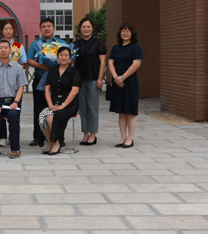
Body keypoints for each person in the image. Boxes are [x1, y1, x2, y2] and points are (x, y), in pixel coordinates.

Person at [27, 18, 68, 147]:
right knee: (38, 108)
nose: (46, 28)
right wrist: (43, 66)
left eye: (49, 26)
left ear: (53, 28)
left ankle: (59, 137)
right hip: (40, 78)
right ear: (40, 29)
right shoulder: (35, 44)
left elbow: (69, 58)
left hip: (58, 79)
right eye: (44, 26)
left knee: (58, 108)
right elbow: (29, 60)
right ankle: (38, 137)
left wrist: (58, 65)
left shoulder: (61, 43)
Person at [0, 40, 28, 158]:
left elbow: (21, 87)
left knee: (13, 116)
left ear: (10, 50)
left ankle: (15, 149)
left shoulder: (18, 68)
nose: (3, 50)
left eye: (6, 48)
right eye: (1, 48)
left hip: (12, 101)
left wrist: (16, 102)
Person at [0, 20, 27, 147]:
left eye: (10, 28)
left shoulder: (18, 46)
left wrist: (13, 66)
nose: (8, 31)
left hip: (14, 82)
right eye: (6, 28)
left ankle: (13, 138)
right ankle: (2, 137)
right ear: (2, 31)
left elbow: (24, 63)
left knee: (14, 113)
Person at [39, 47, 80, 155]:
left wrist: (63, 105)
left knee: (51, 117)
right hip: (54, 103)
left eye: (66, 55)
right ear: (57, 57)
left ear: (70, 58)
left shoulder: (74, 71)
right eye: (61, 55)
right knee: (42, 116)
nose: (63, 57)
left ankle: (56, 143)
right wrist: (50, 105)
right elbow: (47, 89)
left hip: (69, 105)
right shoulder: (52, 70)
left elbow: (75, 90)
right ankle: (50, 143)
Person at [108, 23, 142, 148]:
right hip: (118, 83)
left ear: (132, 33)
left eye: (128, 31)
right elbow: (110, 63)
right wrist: (116, 77)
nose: (125, 33)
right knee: (121, 112)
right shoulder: (116, 48)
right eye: (123, 31)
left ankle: (130, 138)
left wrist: (123, 77)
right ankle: (122, 138)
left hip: (130, 83)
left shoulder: (135, 47)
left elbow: (136, 64)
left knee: (130, 112)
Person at [73, 17, 106, 146]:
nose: (86, 29)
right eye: (83, 27)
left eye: (88, 26)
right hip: (80, 80)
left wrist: (100, 78)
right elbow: (73, 62)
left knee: (92, 107)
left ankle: (93, 134)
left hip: (93, 78)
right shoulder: (76, 44)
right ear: (80, 29)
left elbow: (102, 61)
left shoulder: (98, 43)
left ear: (92, 28)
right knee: (83, 108)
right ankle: (85, 133)